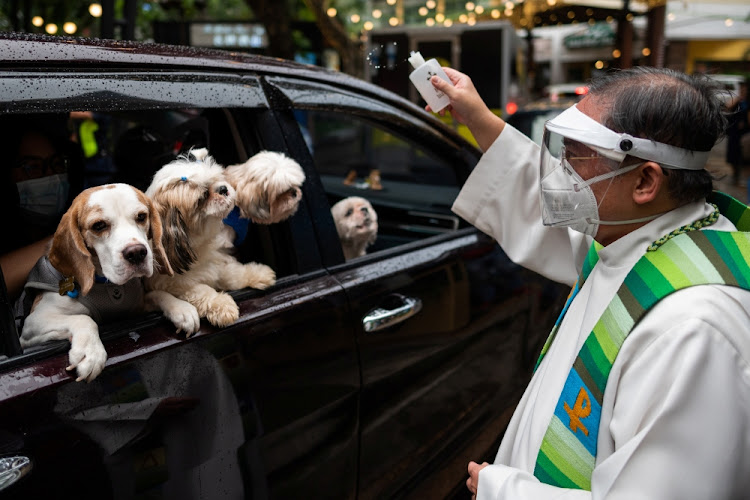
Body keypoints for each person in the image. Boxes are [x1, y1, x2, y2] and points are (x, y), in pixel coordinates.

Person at [428, 66, 750, 499]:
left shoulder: (694, 328)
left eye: (577, 155)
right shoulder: (634, 237)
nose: (561, 172)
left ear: (645, 181)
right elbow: (542, 204)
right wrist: (477, 118)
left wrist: (504, 489)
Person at [726, 80, 748, 185]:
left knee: (744, 156)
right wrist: (738, 98)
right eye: (741, 88)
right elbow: (727, 107)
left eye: (744, 88)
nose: (742, 90)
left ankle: (743, 177)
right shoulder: (738, 100)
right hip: (734, 133)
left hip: (745, 134)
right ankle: (736, 176)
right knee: (733, 155)